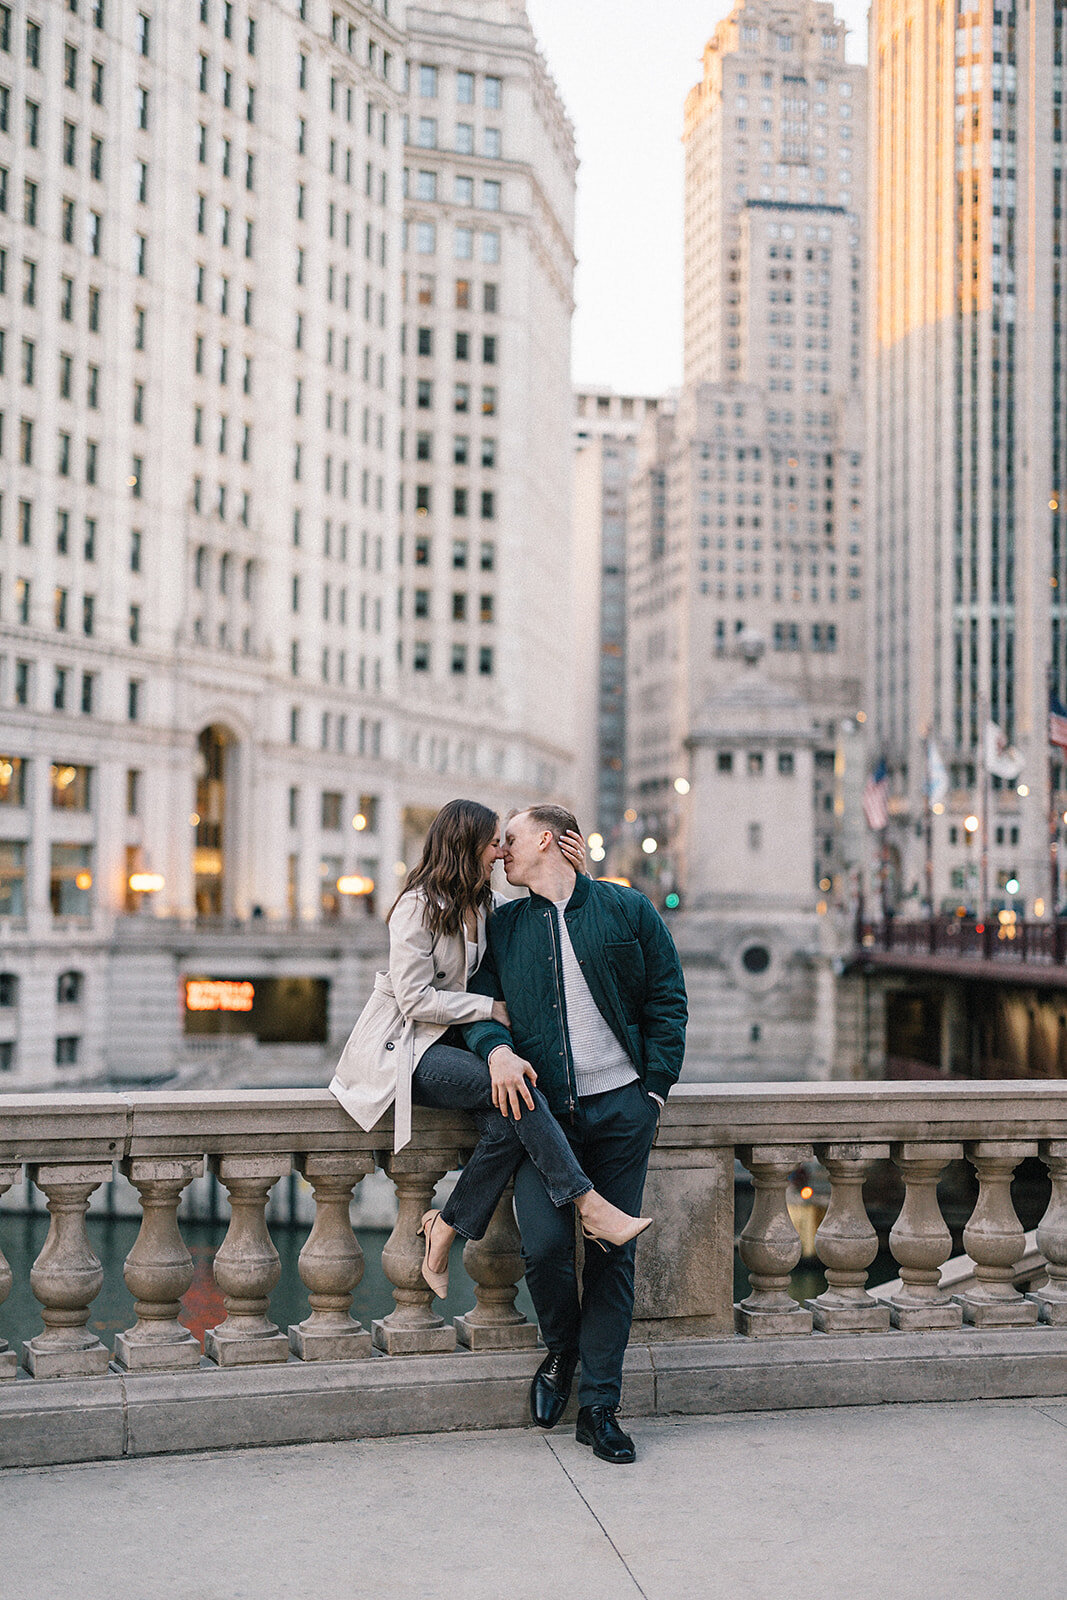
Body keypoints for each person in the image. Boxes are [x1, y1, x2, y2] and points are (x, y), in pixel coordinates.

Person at [329, 799, 650, 1299]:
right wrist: (487, 1009)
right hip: (411, 1048)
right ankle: (588, 1203)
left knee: (507, 1119)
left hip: (454, 1043)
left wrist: (574, 872)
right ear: (467, 844)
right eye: (494, 841)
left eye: (506, 841)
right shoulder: (416, 906)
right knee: (520, 1088)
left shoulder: (485, 903)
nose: (501, 852)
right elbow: (414, 999)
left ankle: (447, 1226)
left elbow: (550, 907)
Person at [464, 804, 687, 1465]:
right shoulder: (503, 927)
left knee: (614, 1261)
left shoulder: (625, 910)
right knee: (545, 1249)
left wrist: (653, 1089)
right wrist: (495, 1050)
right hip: (545, 1118)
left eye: (508, 839)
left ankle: (599, 1408)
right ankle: (560, 1348)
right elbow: (479, 1011)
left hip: (622, 1111)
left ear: (544, 840)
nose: (499, 852)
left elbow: (666, 998)